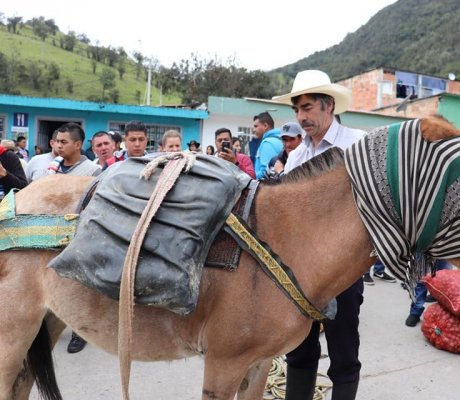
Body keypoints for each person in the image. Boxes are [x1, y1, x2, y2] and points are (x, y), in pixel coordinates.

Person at [274, 69, 367, 400]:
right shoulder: (296, 155)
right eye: (297, 109)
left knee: (343, 347)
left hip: (345, 266)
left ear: (328, 106)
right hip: (301, 267)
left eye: (308, 107)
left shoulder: (358, 145)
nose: (301, 116)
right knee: (299, 345)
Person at [53, 122, 101, 354]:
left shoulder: (93, 171)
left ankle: (78, 331)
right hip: (49, 236)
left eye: (64, 142)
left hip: (77, 237)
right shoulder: (44, 165)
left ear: (78, 144)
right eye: (56, 141)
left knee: (76, 284)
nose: (58, 146)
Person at [405, 259, 451, 327]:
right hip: (424, 250)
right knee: (421, 280)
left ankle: (443, 315)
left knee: (444, 279)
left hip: (447, 251)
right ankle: (415, 312)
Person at [252, 112, 282, 180]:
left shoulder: (268, 143)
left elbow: (265, 172)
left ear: (265, 126)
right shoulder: (278, 139)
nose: (253, 130)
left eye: (256, 126)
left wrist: (252, 179)